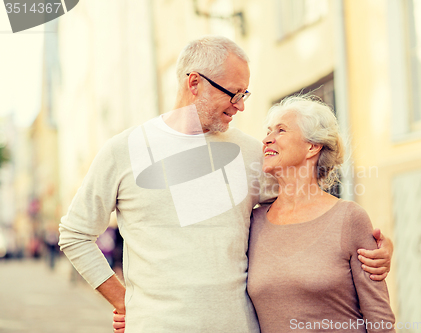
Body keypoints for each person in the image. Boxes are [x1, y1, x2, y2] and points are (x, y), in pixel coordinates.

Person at [59, 36, 392, 333]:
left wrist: (370, 250)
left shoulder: (250, 152)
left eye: (245, 93)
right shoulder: (123, 150)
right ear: (194, 83)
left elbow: (307, 208)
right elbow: (75, 234)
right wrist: (123, 301)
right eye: (233, 93)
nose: (241, 105)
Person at [247, 95, 395, 332]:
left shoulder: (349, 218)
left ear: (312, 147)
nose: (266, 140)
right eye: (268, 131)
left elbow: (380, 319)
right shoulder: (253, 222)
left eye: (281, 130)